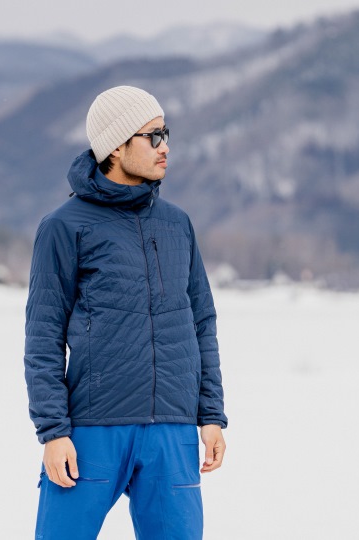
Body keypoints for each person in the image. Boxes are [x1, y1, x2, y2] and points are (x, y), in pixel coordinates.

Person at [24, 85, 228, 539]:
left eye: (166, 134)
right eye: (153, 136)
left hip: (172, 432)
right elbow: (43, 336)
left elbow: (201, 322)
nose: (165, 147)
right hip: (93, 430)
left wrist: (211, 415)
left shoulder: (177, 224)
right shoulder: (64, 226)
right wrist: (53, 431)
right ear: (116, 146)